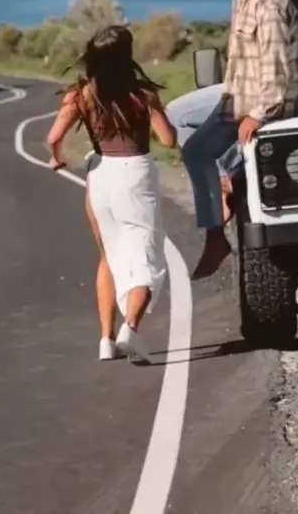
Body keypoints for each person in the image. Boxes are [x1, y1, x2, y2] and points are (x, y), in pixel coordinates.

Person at [181, 0, 298, 280]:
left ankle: (222, 220)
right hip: (238, 98)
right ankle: (226, 188)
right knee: (188, 134)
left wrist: (257, 115)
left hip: (264, 104)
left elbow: (276, 69)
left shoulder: (268, 3)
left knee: (200, 151)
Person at [46, 25, 177, 364]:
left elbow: (54, 137)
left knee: (109, 255)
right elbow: (168, 140)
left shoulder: (81, 95)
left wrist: (57, 159)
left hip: (100, 176)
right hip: (136, 176)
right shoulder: (143, 95)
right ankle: (130, 328)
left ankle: (105, 338)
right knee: (146, 258)